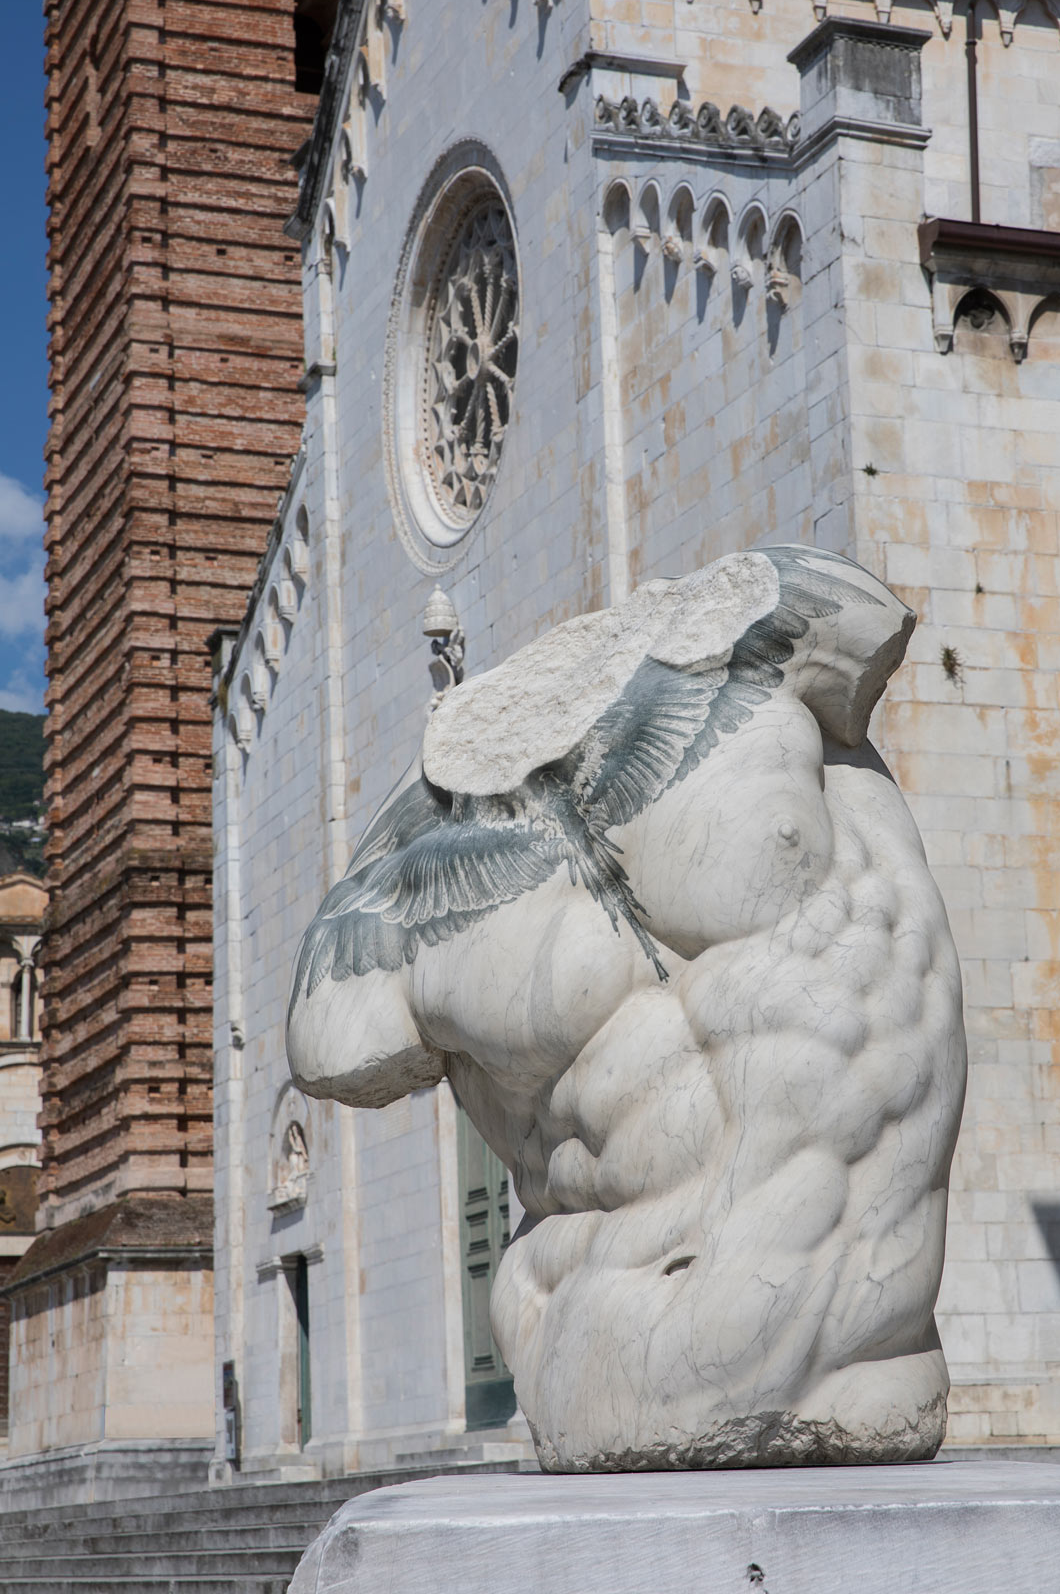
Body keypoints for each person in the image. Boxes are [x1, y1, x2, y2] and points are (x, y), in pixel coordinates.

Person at [287, 546, 966, 1470]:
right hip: (638, 1341)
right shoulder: (425, 860)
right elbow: (330, 1041)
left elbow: (862, 619)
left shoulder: (782, 613)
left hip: (848, 1335)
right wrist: (445, 768)